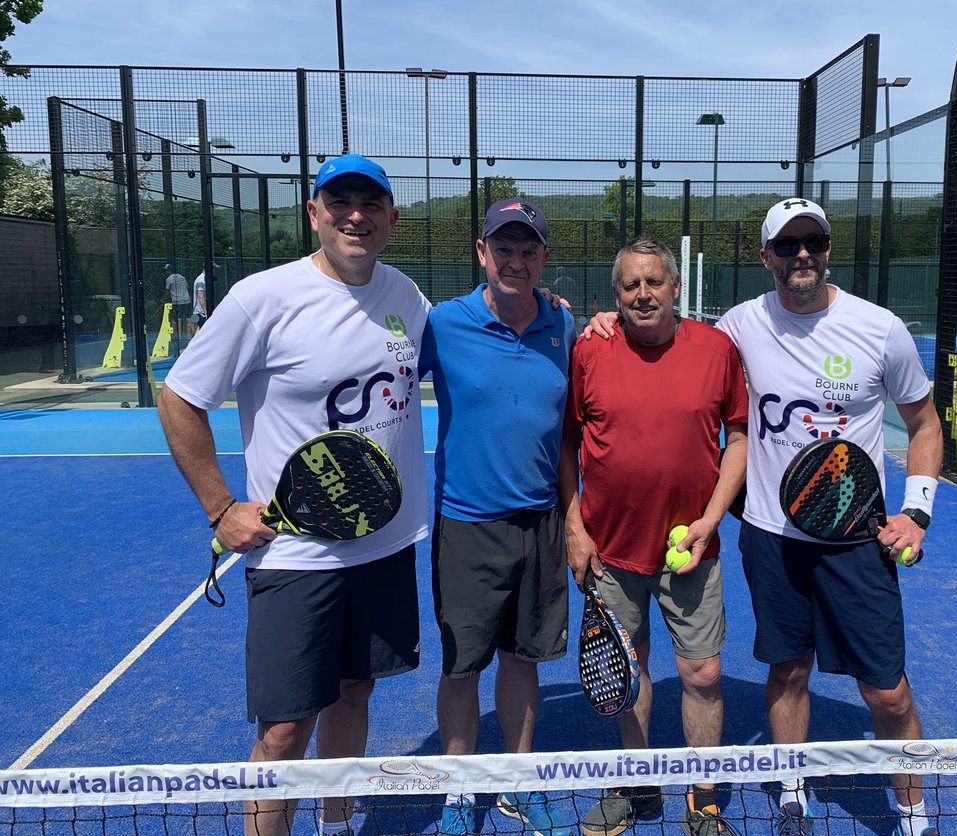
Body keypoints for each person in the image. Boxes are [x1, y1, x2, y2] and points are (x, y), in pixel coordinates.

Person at [588, 200, 943, 836]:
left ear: (828, 249)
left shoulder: (880, 328)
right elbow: (667, 332)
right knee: (788, 670)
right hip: (771, 536)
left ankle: (914, 815)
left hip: (854, 539)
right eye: (786, 245)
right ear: (766, 257)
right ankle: (791, 786)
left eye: (812, 242)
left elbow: (924, 423)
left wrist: (916, 511)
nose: (800, 254)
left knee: (887, 692)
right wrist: (606, 318)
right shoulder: (739, 327)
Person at [158, 155, 428, 836]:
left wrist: (560, 312)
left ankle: (336, 827)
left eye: (371, 203)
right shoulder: (262, 298)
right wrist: (221, 508)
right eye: (340, 202)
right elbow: (179, 396)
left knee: (356, 692)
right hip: (297, 559)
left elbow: (475, 333)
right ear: (314, 214)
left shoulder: (405, 296)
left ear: (392, 220)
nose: (356, 216)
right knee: (284, 729)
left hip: (385, 545)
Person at [559, 239, 749, 836]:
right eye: (630, 285)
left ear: (674, 287)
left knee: (703, 674)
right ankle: (636, 783)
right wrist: (574, 528)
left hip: (692, 550)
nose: (643, 294)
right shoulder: (590, 348)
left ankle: (703, 795)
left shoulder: (717, 350)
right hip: (611, 550)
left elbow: (739, 438)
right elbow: (567, 441)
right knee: (629, 668)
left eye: (654, 282)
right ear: (615, 296)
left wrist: (710, 521)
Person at [419, 198, 575, 836]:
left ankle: (517, 783)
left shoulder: (565, 325)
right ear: (481, 252)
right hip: (467, 527)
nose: (516, 261)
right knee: (462, 668)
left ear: (543, 258)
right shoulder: (442, 324)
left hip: (541, 523)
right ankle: (459, 792)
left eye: (528, 250)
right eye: (503, 248)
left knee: (522, 659)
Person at [163, 264, 190, 342]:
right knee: (188, 318)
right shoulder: (182, 277)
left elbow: (167, 292)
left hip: (176, 301)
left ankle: (177, 336)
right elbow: (187, 287)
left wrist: (164, 300)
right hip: (186, 299)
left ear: (169, 271)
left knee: (175, 319)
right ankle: (189, 335)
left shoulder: (169, 279)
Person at [190, 263, 219, 334]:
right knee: (205, 333)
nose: (215, 271)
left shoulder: (205, 279)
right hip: (200, 313)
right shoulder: (201, 280)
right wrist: (206, 312)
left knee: (203, 333)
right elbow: (200, 296)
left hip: (201, 313)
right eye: (214, 269)